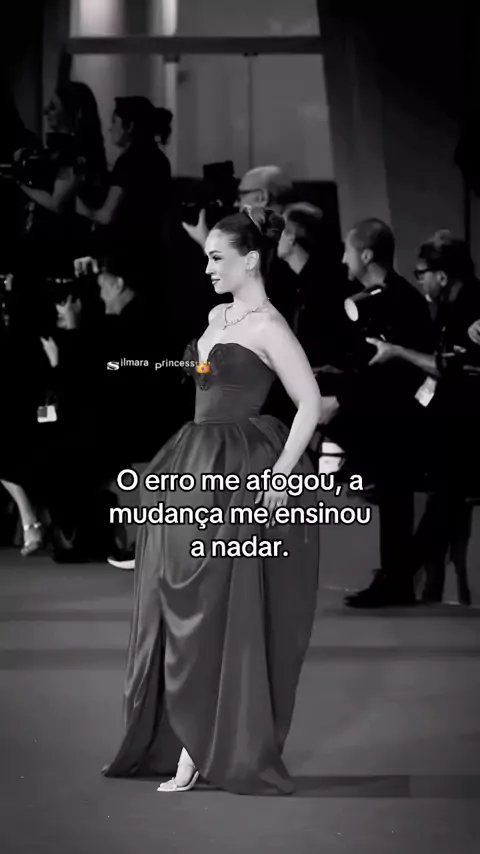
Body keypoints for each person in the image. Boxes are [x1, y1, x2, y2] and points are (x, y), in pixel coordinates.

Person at [102, 207, 322, 795]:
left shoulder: (270, 326)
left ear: (250, 260)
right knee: (173, 594)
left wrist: (279, 478)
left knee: (217, 603)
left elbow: (309, 402)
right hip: (192, 463)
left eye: (217, 257)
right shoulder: (217, 315)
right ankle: (183, 735)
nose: (207, 268)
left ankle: (200, 746)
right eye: (206, 258)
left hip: (240, 470)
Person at [324, 218, 434, 608]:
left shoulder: (401, 301)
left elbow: (396, 372)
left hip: (402, 414)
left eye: (348, 250)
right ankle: (393, 576)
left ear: (367, 254)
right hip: (382, 408)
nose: (343, 259)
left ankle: (395, 579)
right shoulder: (369, 297)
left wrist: (342, 400)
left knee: (393, 484)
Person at [367, 231, 480, 604]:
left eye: (422, 273)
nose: (420, 281)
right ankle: (398, 575)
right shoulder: (447, 310)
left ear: (442, 276)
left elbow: (451, 368)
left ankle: (397, 578)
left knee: (445, 495)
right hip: (452, 423)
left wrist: (398, 352)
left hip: (468, 430)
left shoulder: (473, 309)